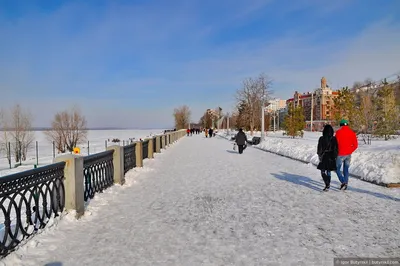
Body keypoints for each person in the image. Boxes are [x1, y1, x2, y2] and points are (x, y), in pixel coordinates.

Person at [335, 119, 358, 190]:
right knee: (346, 169)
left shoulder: (338, 132)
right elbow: (355, 145)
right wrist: (350, 150)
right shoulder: (352, 133)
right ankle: (346, 184)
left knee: (337, 169)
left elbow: (335, 144)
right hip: (348, 154)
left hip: (340, 154)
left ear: (341, 125)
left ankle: (343, 182)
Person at [317, 124, 338, 191]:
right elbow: (336, 148)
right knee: (329, 170)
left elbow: (319, 148)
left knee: (323, 171)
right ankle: (328, 184)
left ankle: (327, 183)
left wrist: (319, 155)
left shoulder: (321, 138)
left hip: (324, 156)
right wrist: (335, 156)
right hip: (331, 156)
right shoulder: (334, 138)